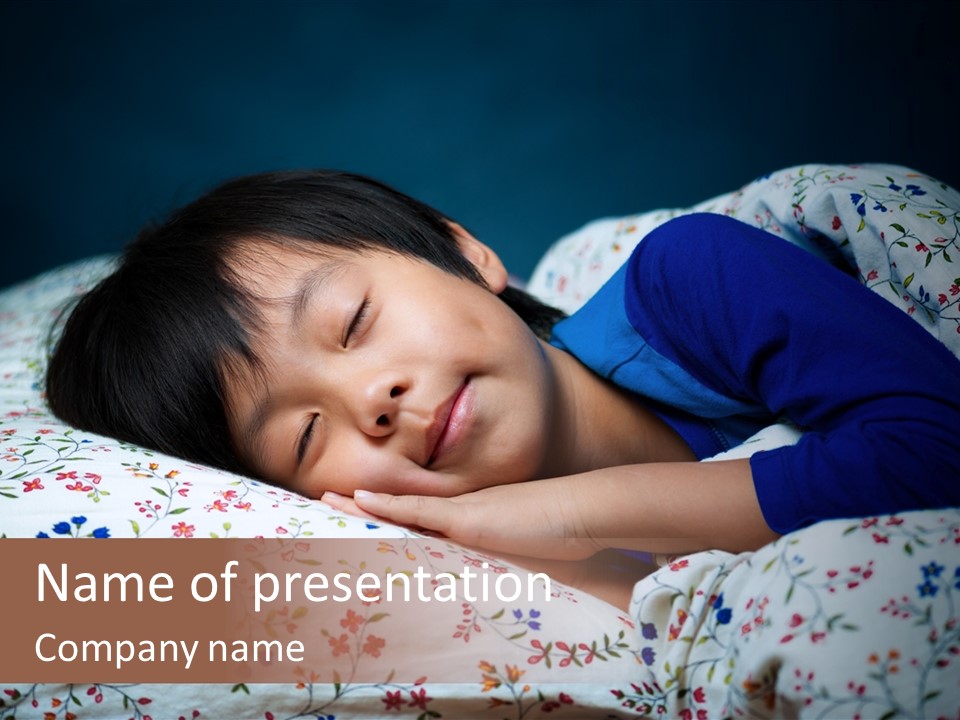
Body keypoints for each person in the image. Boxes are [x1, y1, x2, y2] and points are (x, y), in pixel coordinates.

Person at [45, 170, 960, 568]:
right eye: (307, 435)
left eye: (354, 321)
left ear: (463, 250)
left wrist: (573, 512)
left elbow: (939, 450)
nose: (374, 400)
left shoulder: (697, 279)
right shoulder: (489, 572)